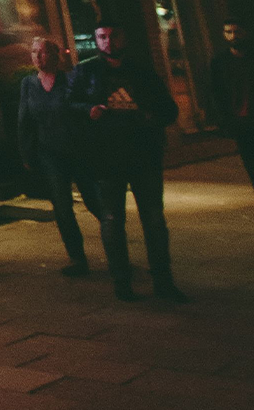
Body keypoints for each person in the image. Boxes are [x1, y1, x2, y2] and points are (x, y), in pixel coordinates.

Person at [67, 20, 184, 302]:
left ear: (124, 38)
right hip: (106, 157)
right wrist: (88, 110)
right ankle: (122, 282)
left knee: (154, 219)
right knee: (111, 219)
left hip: (143, 154)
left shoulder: (141, 72)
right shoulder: (86, 71)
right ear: (96, 40)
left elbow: (169, 109)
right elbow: (68, 106)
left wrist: (149, 117)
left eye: (113, 36)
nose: (107, 41)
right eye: (101, 37)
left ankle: (163, 281)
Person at [17, 37, 95, 276]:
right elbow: (24, 120)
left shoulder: (69, 80)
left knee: (94, 200)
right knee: (62, 206)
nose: (37, 57)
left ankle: (116, 247)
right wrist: (27, 154)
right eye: (34, 52)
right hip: (49, 153)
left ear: (55, 55)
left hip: (76, 149)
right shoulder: (28, 84)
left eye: (42, 52)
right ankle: (76, 258)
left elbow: (82, 111)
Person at [210, 18, 252, 185]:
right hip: (241, 122)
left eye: (237, 31)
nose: (234, 36)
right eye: (229, 32)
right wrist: (225, 120)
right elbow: (217, 93)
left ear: (245, 33)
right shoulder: (219, 63)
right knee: (250, 161)